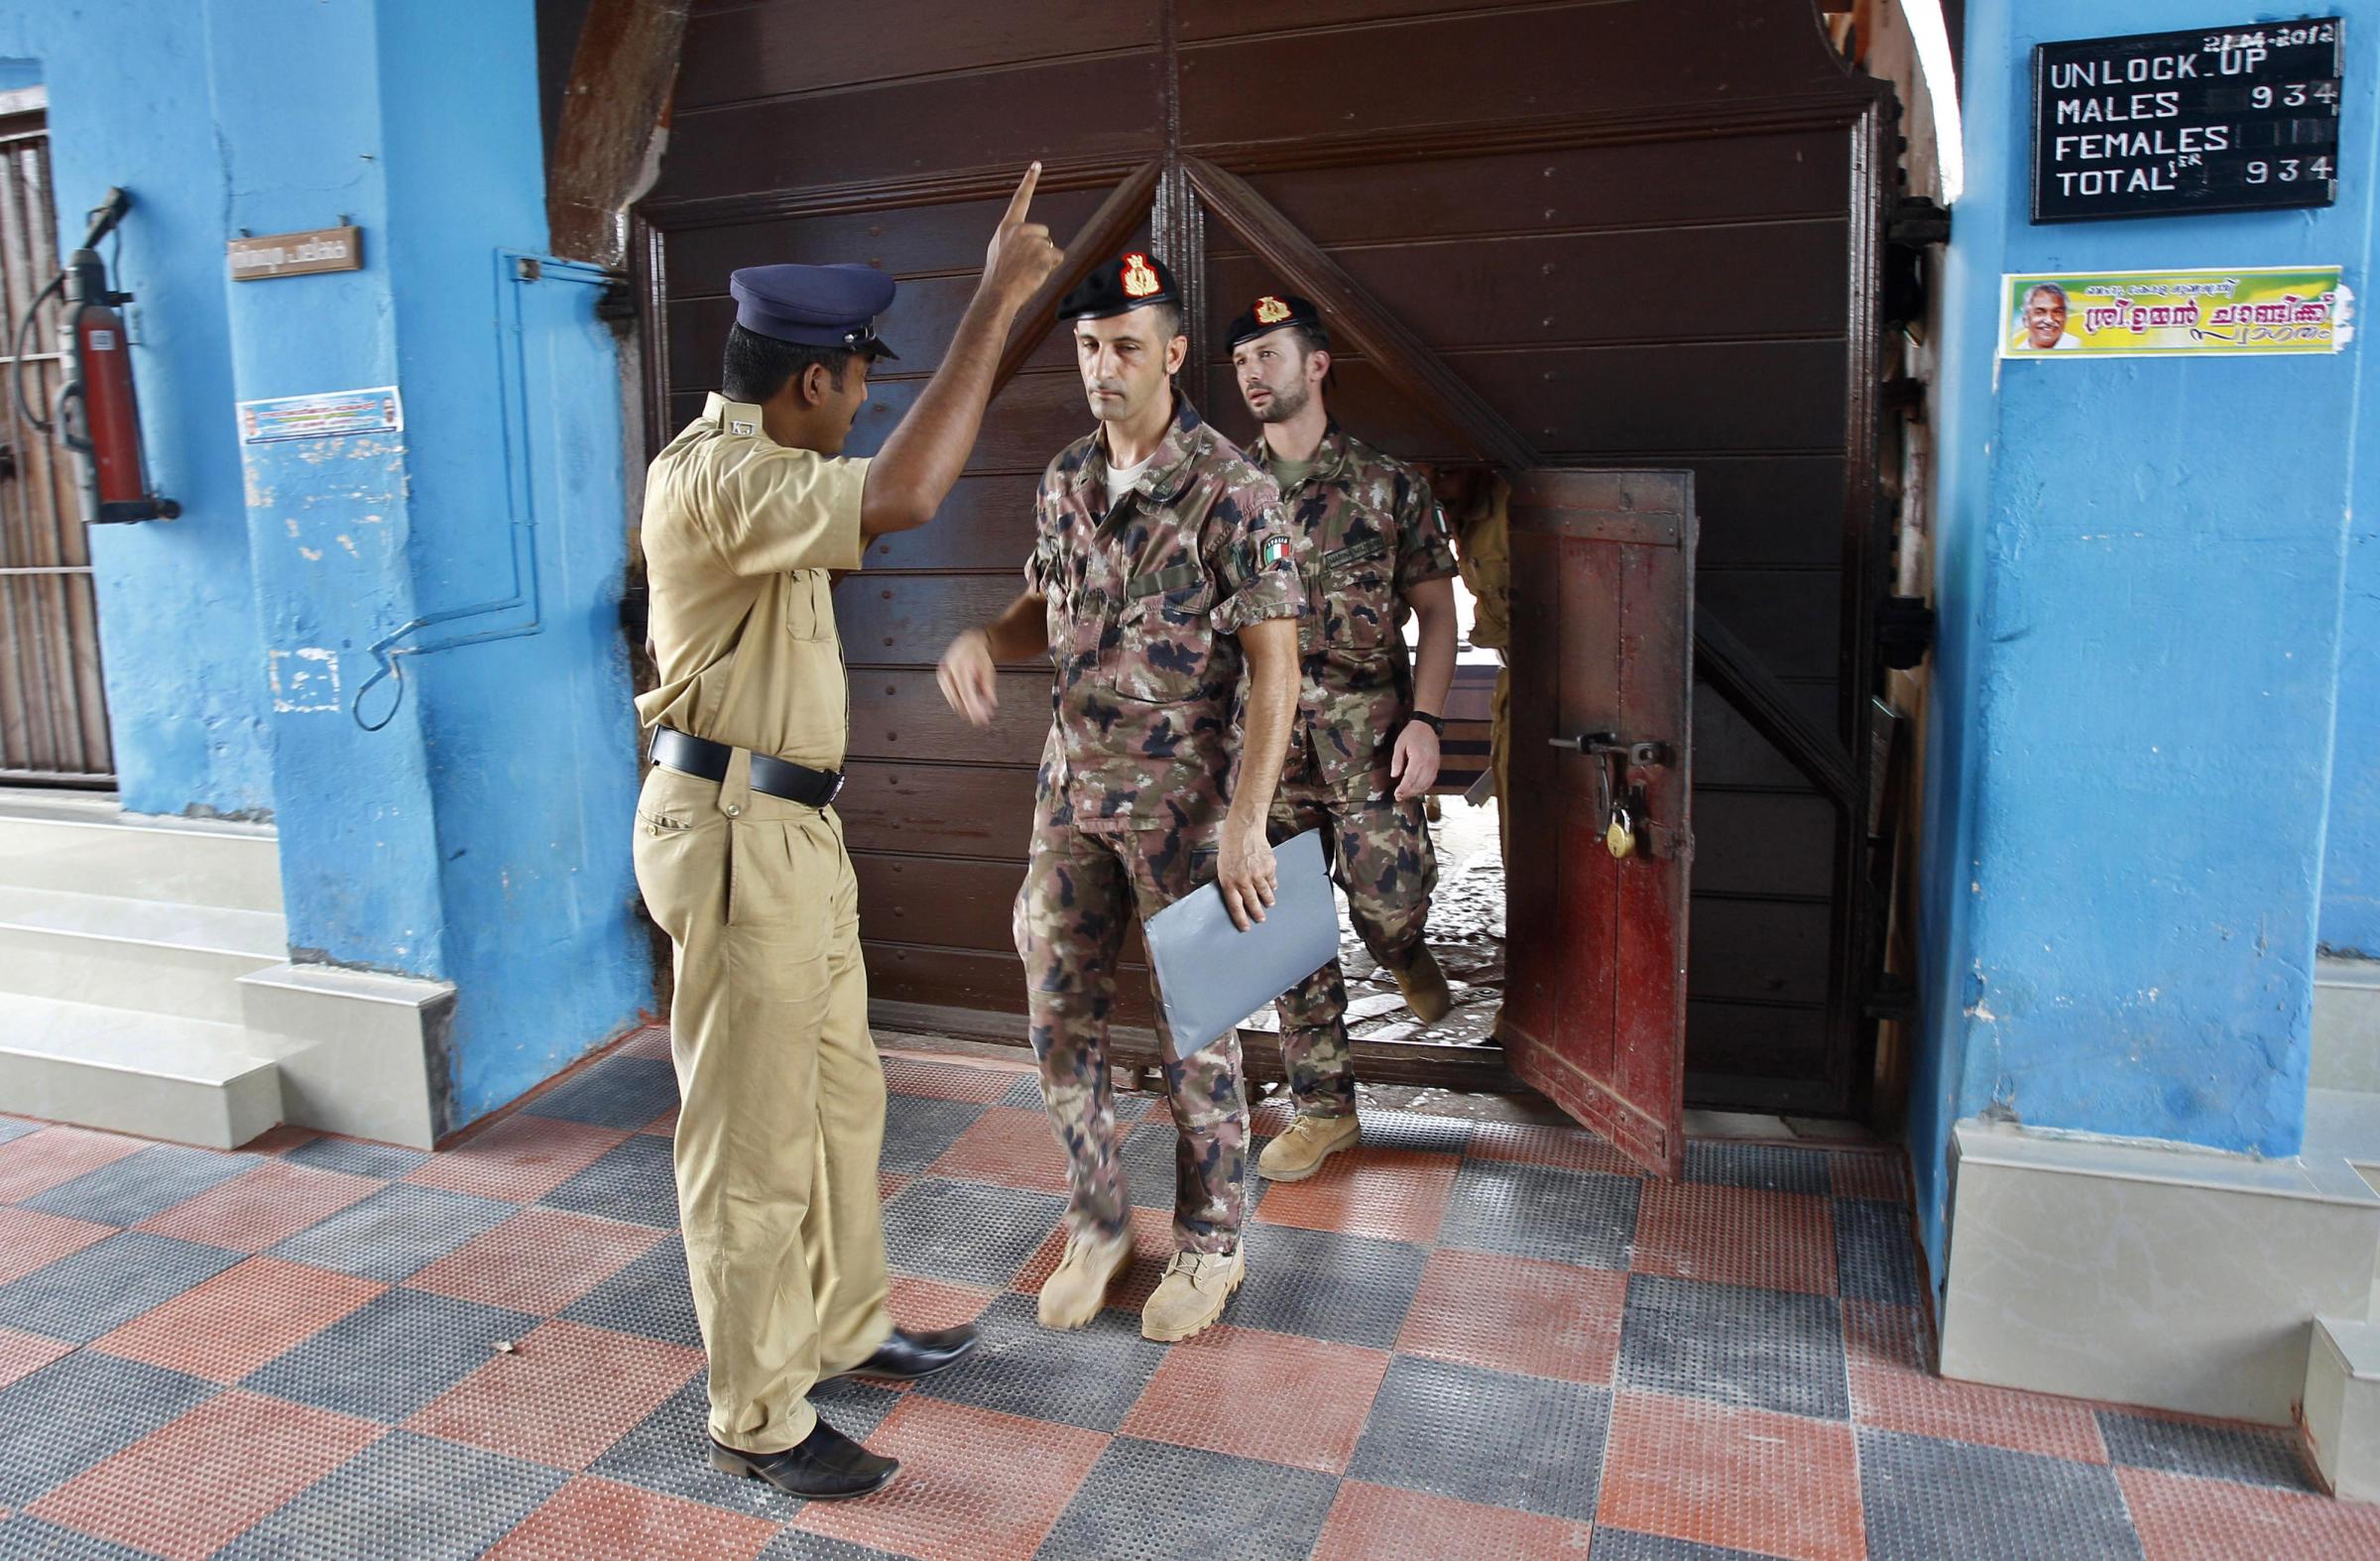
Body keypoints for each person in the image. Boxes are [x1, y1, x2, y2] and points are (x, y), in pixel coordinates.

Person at [631, 166, 1062, 1500]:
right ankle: (756, 1414)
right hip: (730, 831)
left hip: (795, 834)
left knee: (836, 1106)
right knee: (749, 1146)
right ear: (811, 383)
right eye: (860, 382)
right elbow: (912, 491)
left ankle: (842, 1328)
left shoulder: (772, 467)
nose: (866, 401)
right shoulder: (718, 479)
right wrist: (994, 301)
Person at [934, 252, 1303, 1342]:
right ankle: (1098, 1222)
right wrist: (981, 638)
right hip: (1072, 796)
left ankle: (1211, 1244)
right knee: (1058, 1011)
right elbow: (1041, 607)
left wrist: (1247, 821)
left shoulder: (1234, 489)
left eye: (1126, 345)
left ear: (1174, 352)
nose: (1104, 365)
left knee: (1201, 1031)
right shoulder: (1063, 480)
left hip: (1190, 810)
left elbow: (1278, 670)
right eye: (1090, 346)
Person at [1225, 295, 1463, 1182]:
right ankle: (1326, 1109)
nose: (1254, 373)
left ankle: (1404, 951)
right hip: (1270, 757)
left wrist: (1428, 722)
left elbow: (1437, 612)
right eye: (1243, 360)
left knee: (1389, 905)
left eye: (1270, 354)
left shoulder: (1387, 486)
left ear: (1316, 365)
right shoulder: (1223, 497)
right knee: (1290, 935)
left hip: (1371, 742)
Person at [2017, 283, 2082, 349]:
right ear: (2025, 320)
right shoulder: (2017, 352)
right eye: (2040, 312)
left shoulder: (2078, 346)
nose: (2049, 320)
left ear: (2066, 318)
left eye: (2057, 312)